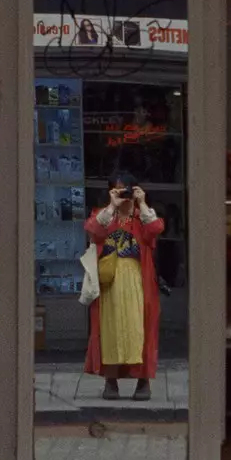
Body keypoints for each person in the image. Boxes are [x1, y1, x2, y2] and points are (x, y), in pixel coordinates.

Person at [85, 172, 163, 402]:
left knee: (140, 331)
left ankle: (143, 381)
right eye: (118, 190)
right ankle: (111, 381)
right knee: (109, 332)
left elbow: (156, 229)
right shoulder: (103, 215)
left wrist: (142, 202)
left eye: (126, 189)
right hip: (110, 284)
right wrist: (111, 206)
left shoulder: (142, 217)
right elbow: (92, 230)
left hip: (138, 283)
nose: (124, 195)